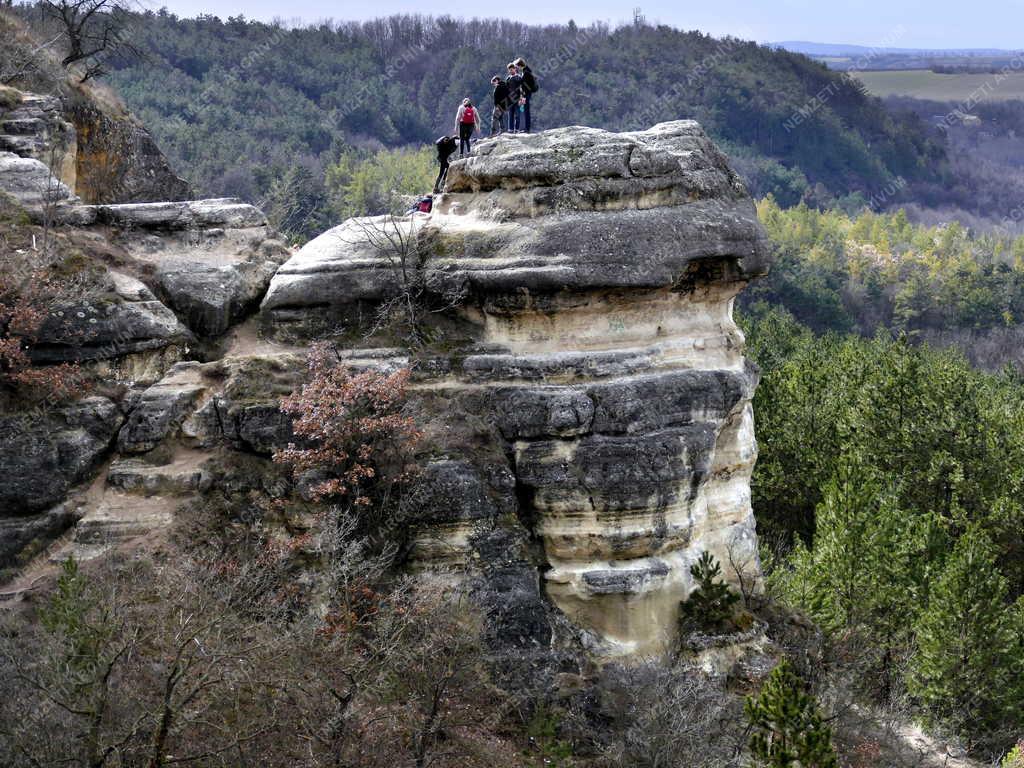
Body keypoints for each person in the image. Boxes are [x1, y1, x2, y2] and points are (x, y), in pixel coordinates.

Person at [514, 57, 538, 133]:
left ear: (519, 65)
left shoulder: (526, 73)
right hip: (527, 94)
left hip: (526, 94)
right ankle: (526, 128)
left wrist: (523, 95)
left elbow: (526, 85)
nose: (516, 68)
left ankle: (527, 129)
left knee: (526, 111)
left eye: (517, 66)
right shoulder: (527, 71)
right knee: (525, 111)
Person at [505, 62, 523, 132]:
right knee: (510, 115)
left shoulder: (519, 78)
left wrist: (521, 98)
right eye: (509, 70)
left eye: (512, 69)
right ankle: (510, 129)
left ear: (515, 69)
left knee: (517, 115)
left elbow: (522, 88)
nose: (510, 71)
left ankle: (517, 129)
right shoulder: (508, 79)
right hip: (509, 99)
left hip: (518, 99)